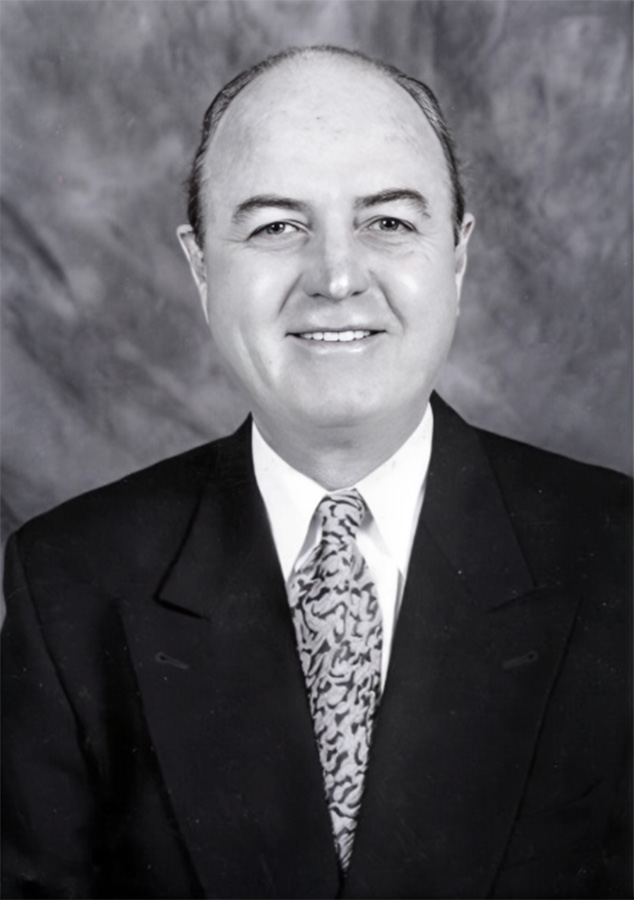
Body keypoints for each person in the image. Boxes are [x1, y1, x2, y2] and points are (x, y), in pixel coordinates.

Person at [2, 45, 631, 900]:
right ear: (200, 266)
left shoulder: (616, 556)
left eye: (389, 223)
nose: (336, 278)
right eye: (276, 227)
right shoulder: (67, 581)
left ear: (456, 255)